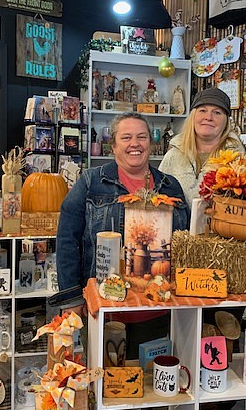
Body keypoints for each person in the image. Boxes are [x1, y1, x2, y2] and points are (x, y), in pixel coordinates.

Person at [54, 112, 189, 313]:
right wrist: (72, 298)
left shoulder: (170, 186)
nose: (135, 143)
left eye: (141, 137)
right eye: (126, 138)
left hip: (162, 305)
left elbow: (185, 243)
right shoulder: (91, 182)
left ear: (150, 144)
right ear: (113, 147)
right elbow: (67, 240)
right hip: (104, 303)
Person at [158, 87, 243, 203]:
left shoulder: (238, 160)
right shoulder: (172, 156)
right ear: (193, 116)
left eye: (217, 112)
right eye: (203, 110)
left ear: (226, 121)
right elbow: (157, 196)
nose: (208, 117)